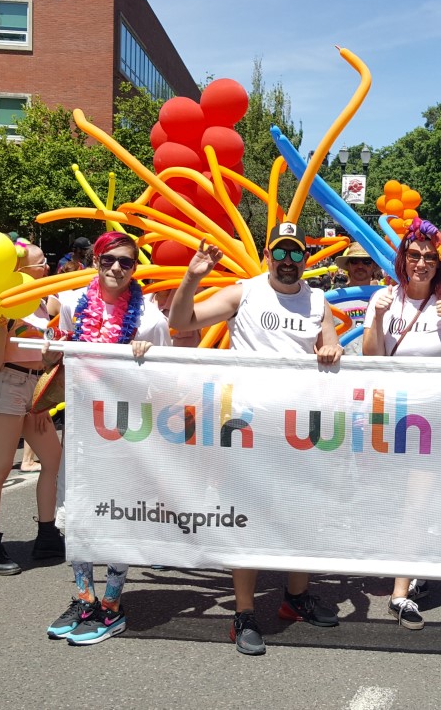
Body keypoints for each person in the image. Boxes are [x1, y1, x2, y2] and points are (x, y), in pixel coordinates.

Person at [169, 221, 343, 656]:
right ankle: (244, 614)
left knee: (302, 515)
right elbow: (180, 322)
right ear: (268, 256)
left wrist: (332, 346)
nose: (288, 262)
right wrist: (193, 276)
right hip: (246, 428)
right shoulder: (244, 292)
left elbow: (331, 343)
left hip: (300, 430)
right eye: (280, 253)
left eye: (296, 254)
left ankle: (295, 599)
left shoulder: (318, 300)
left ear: (305, 258)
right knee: (244, 519)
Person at [45, 231, 170, 646]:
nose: (117, 268)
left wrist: (145, 359)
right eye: (109, 260)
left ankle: (112, 606)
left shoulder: (150, 317)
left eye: (127, 262)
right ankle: (84, 599)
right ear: (95, 261)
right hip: (81, 427)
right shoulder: (70, 306)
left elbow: (169, 378)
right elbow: (56, 356)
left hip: (126, 431)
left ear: (136, 268)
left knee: (118, 513)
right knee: (77, 512)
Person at [361, 221, 441, 631]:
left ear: (439, 262)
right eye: (414, 255)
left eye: (429, 256)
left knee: (415, 501)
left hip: (432, 420)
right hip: (388, 416)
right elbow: (371, 356)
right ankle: (413, 563)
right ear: (403, 260)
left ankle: (399, 592)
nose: (421, 263)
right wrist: (375, 317)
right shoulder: (386, 297)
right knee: (394, 501)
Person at [0, 244, 65, 575]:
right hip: (7, 386)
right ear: (20, 272)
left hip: (34, 387)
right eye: (40, 264)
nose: (46, 267)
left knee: (54, 460)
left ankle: (47, 533)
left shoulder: (43, 303)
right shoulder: (6, 306)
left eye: (45, 262)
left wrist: (41, 393)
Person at [334, 242, 376, 356]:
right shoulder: (333, 299)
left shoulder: (384, 299)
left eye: (366, 261)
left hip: (373, 367)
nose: (360, 266)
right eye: (354, 261)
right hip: (341, 367)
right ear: (348, 266)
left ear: (373, 266)